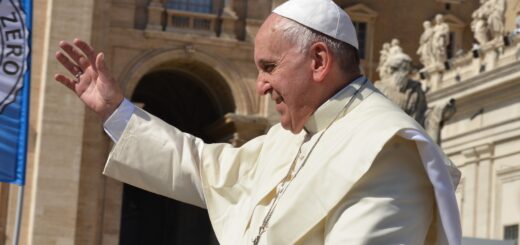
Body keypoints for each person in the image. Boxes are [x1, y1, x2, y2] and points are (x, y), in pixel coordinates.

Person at [54, 0, 461, 244]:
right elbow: (200, 167)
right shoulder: (290, 139)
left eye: (269, 67)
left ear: (319, 61)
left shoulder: (388, 149)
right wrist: (115, 110)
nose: (261, 86)